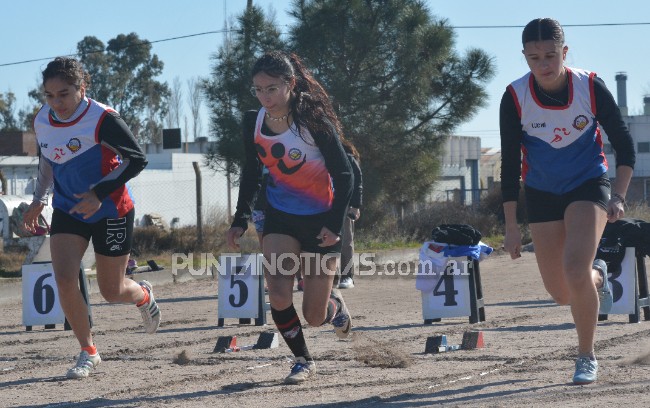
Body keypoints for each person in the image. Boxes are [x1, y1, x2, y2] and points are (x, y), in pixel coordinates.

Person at [500, 18, 635, 385]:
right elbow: (510, 165)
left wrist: (619, 195)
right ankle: (599, 276)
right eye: (534, 58)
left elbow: (625, 146)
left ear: (564, 51)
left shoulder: (589, 86)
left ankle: (586, 356)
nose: (543, 64)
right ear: (524, 57)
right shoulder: (514, 96)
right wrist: (512, 227)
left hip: (587, 185)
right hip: (542, 192)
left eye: (550, 55)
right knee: (561, 292)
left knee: (574, 270)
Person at [23, 57, 160, 380]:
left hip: (111, 210)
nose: (57, 103)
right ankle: (88, 350)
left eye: (64, 94)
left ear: (81, 89)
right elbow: (47, 162)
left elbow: (138, 159)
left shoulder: (103, 118)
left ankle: (142, 294)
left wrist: (99, 193)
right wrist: (38, 200)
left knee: (111, 291)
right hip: (68, 210)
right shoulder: (42, 120)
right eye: (49, 95)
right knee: (65, 279)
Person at [227, 50, 353, 384]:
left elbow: (344, 175)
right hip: (280, 215)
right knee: (278, 293)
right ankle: (302, 360)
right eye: (258, 89)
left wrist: (335, 224)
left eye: (271, 88)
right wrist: (239, 218)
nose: (264, 96)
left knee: (314, 315)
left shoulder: (312, 121)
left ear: (290, 84)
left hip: (321, 219)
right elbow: (252, 173)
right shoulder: (253, 122)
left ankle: (335, 308)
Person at [335, 139, 362, 289]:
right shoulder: (320, 156)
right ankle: (332, 276)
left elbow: (357, 182)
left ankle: (347, 276)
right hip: (325, 204)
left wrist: (356, 205)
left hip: (344, 205)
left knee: (346, 242)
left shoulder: (348, 158)